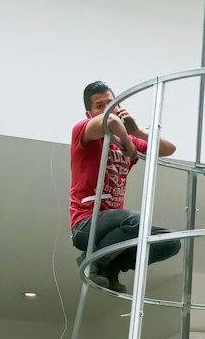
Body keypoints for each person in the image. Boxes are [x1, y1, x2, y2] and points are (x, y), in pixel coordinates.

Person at [70, 81, 181, 293]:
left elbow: (169, 148)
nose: (105, 108)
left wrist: (137, 132)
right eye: (99, 105)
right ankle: (96, 260)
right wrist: (128, 144)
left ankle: (111, 264)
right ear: (89, 113)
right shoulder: (83, 130)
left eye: (110, 103)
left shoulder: (126, 138)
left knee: (171, 242)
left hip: (116, 227)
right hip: (86, 224)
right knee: (137, 220)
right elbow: (110, 121)